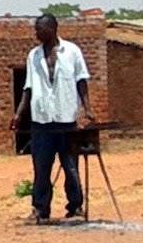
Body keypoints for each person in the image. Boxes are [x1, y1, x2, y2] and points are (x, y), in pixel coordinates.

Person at [10, 15, 95, 224]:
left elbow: (81, 83)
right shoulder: (33, 56)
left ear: (52, 28)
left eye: (39, 29)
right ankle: (40, 209)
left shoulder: (72, 52)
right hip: (41, 122)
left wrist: (88, 109)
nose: (36, 33)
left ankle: (75, 207)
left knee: (71, 167)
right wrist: (18, 114)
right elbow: (28, 88)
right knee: (41, 168)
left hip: (66, 120)